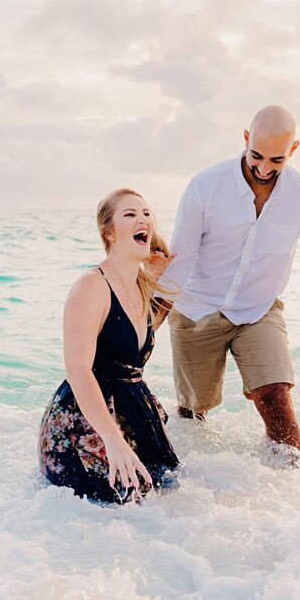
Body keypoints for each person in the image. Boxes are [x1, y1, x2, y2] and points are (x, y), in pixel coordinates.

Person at [158, 105, 300, 453]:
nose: (263, 168)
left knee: (275, 396)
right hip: (196, 308)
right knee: (192, 413)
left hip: (258, 309)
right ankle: (196, 492)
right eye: (256, 156)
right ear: (246, 138)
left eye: (277, 161)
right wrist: (146, 325)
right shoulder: (205, 186)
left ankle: (290, 488)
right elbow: (179, 261)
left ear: (294, 150)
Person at [38, 188, 179, 503]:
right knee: (123, 508)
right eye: (129, 214)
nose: (142, 219)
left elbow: (131, 347)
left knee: (167, 498)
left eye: (146, 213)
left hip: (132, 413)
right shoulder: (92, 285)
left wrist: (159, 276)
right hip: (87, 422)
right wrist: (113, 440)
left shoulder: (142, 286)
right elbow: (77, 369)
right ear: (109, 232)